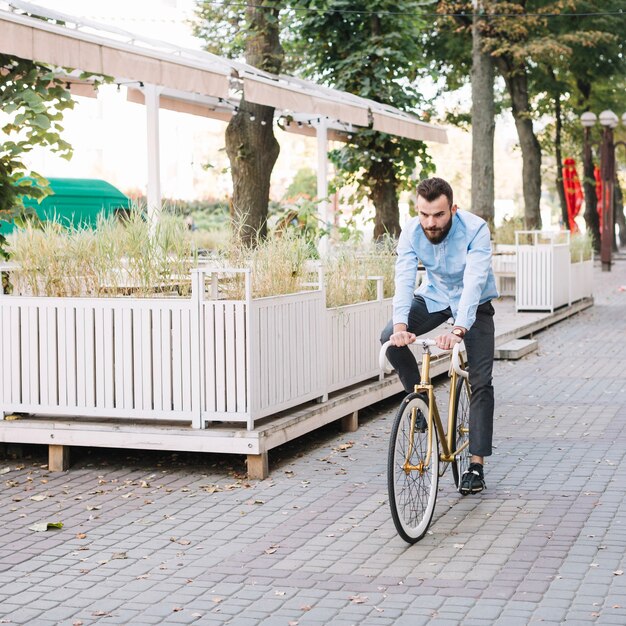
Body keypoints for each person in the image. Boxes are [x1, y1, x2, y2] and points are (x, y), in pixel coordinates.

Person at [380, 177, 498, 495]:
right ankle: (420, 399)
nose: (431, 223)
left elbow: (474, 283)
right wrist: (401, 326)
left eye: (439, 215)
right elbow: (404, 278)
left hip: (474, 306)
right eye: (424, 215)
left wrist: (459, 329)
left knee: (481, 380)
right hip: (434, 297)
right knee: (388, 338)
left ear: (453, 210)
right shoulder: (412, 232)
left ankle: (476, 464)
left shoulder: (475, 229)